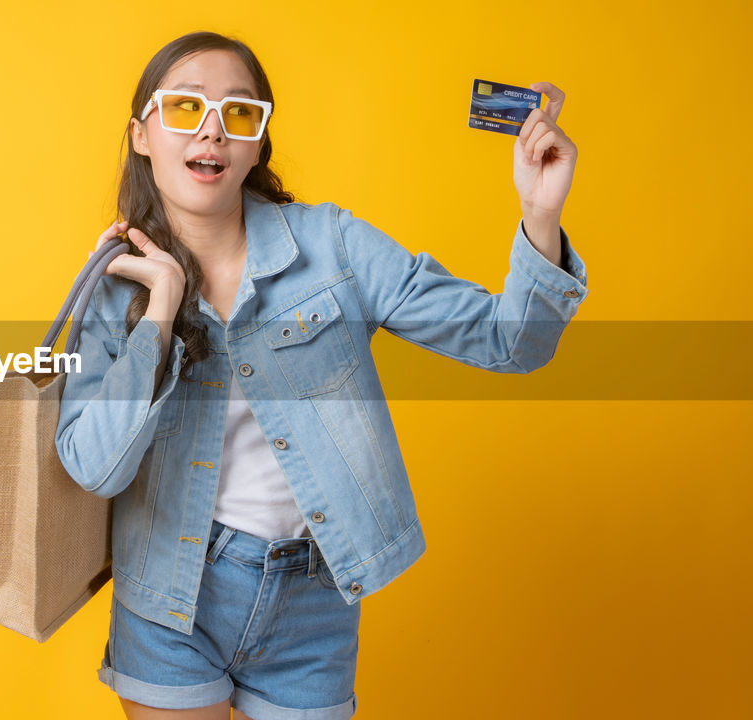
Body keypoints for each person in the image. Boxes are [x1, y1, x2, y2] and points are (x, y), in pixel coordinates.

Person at [54, 30, 587, 720]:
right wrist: (158, 316)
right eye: (185, 107)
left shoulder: (332, 247)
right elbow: (95, 468)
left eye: (239, 113)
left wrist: (541, 216)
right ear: (142, 135)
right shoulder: (113, 287)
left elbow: (510, 343)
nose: (212, 129)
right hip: (169, 596)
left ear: (256, 142)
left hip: (312, 601)